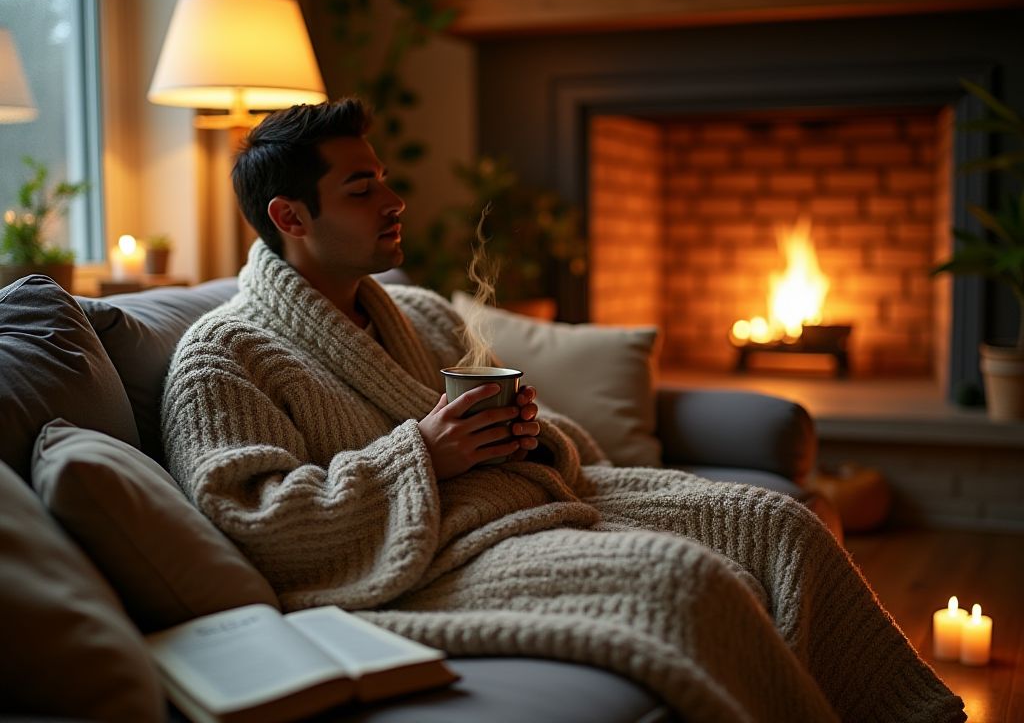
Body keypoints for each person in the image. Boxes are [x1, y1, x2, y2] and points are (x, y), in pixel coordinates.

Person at [161, 99, 964, 723]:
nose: (395, 200)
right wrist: (423, 456)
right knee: (681, 581)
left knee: (776, 523)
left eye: (386, 178)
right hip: (422, 563)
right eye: (362, 188)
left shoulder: (417, 317)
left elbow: (544, 442)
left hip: (524, 504)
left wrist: (526, 432)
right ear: (290, 218)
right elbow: (255, 521)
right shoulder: (221, 356)